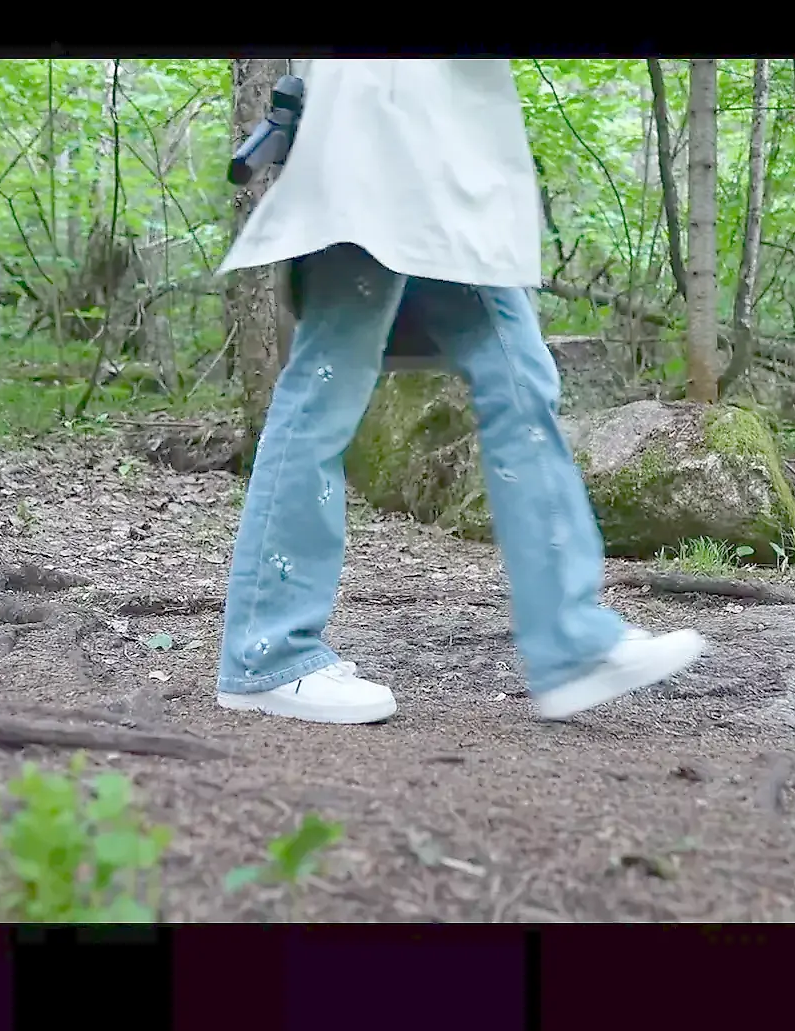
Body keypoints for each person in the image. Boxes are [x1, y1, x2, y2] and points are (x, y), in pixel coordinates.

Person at [211, 58, 705, 725]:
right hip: (376, 128)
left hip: (452, 156)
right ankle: (267, 652)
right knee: (326, 384)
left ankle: (572, 641)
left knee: (519, 376)